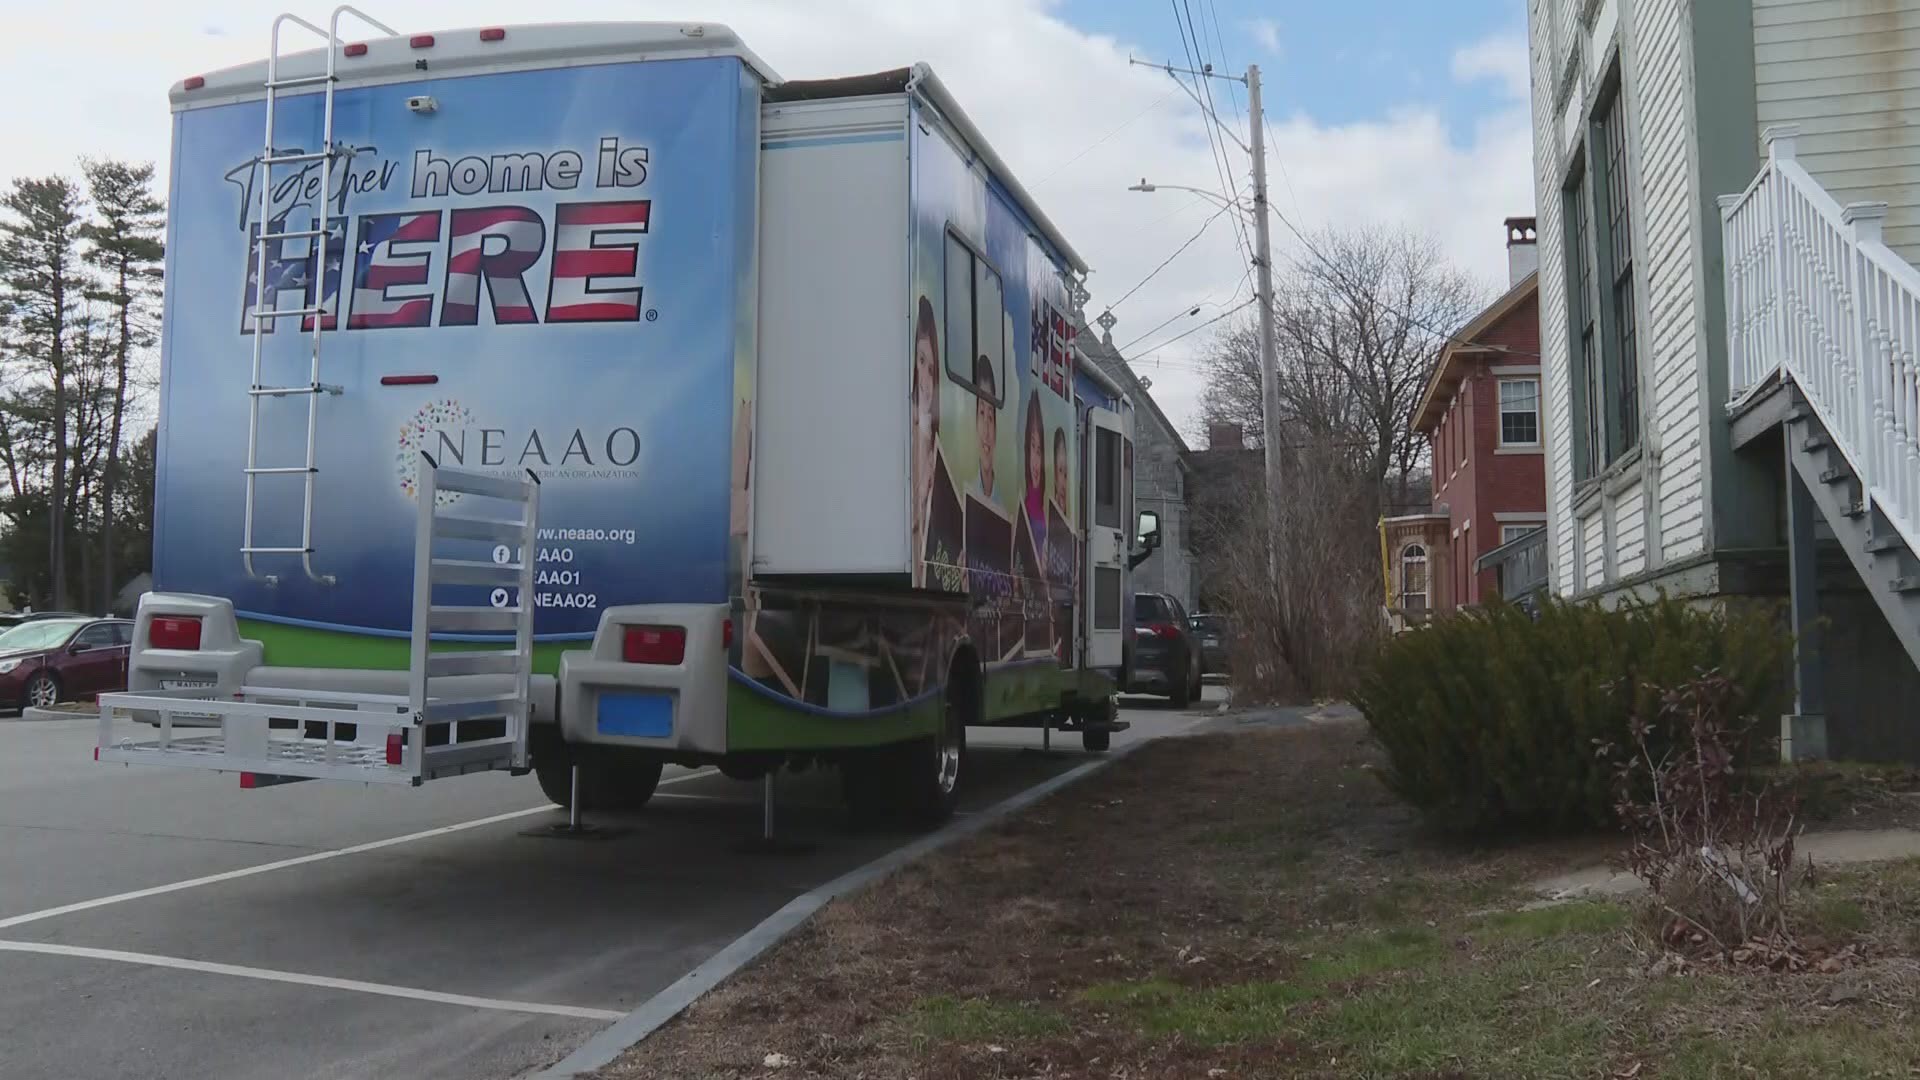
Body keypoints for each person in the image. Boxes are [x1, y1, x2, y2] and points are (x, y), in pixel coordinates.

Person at [910, 297, 941, 586]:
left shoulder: (934, 445)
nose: (926, 380)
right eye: (921, 361)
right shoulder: (908, 432)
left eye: (932, 369)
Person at [1021, 390, 1048, 551]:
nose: (1036, 462)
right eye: (1032, 447)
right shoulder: (1023, 510)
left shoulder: (1042, 508)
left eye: (1039, 450)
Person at [972, 353, 998, 502]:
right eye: (981, 413)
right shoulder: (968, 492)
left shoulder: (1005, 507)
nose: (987, 431)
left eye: (990, 416)